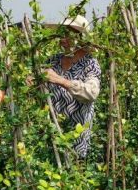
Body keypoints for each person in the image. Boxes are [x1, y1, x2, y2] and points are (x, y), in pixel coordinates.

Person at [41, 15, 101, 158]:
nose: (63, 39)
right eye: (62, 34)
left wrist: (60, 80)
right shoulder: (53, 61)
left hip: (76, 139)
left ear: (81, 38)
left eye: (69, 35)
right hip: (52, 135)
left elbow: (91, 93)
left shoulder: (89, 64)